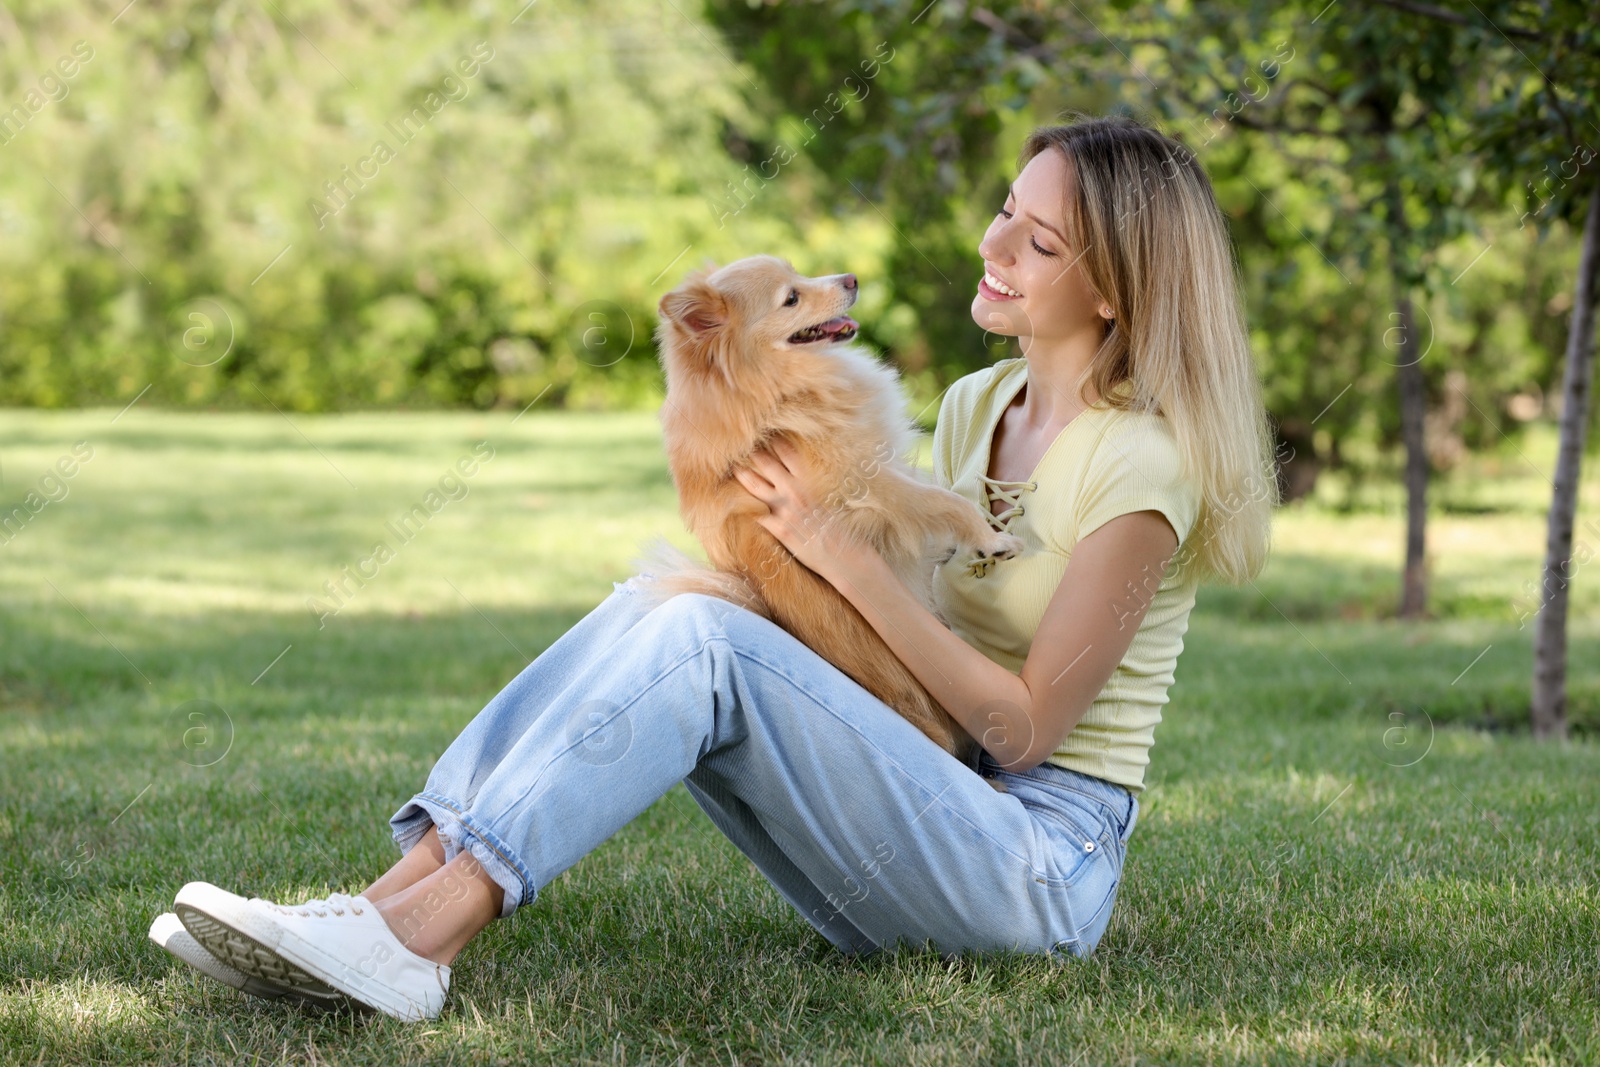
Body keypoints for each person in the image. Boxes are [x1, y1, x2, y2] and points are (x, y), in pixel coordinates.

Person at [150, 113, 1276, 1022]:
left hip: (1032, 861)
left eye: (1035, 241)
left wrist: (829, 546)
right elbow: (892, 619)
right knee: (660, 598)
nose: (991, 246)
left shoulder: (1140, 464)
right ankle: (383, 901)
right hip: (929, 795)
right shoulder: (983, 402)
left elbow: (1021, 730)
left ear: (1115, 290)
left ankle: (422, 939)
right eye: (1003, 210)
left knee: (703, 636)